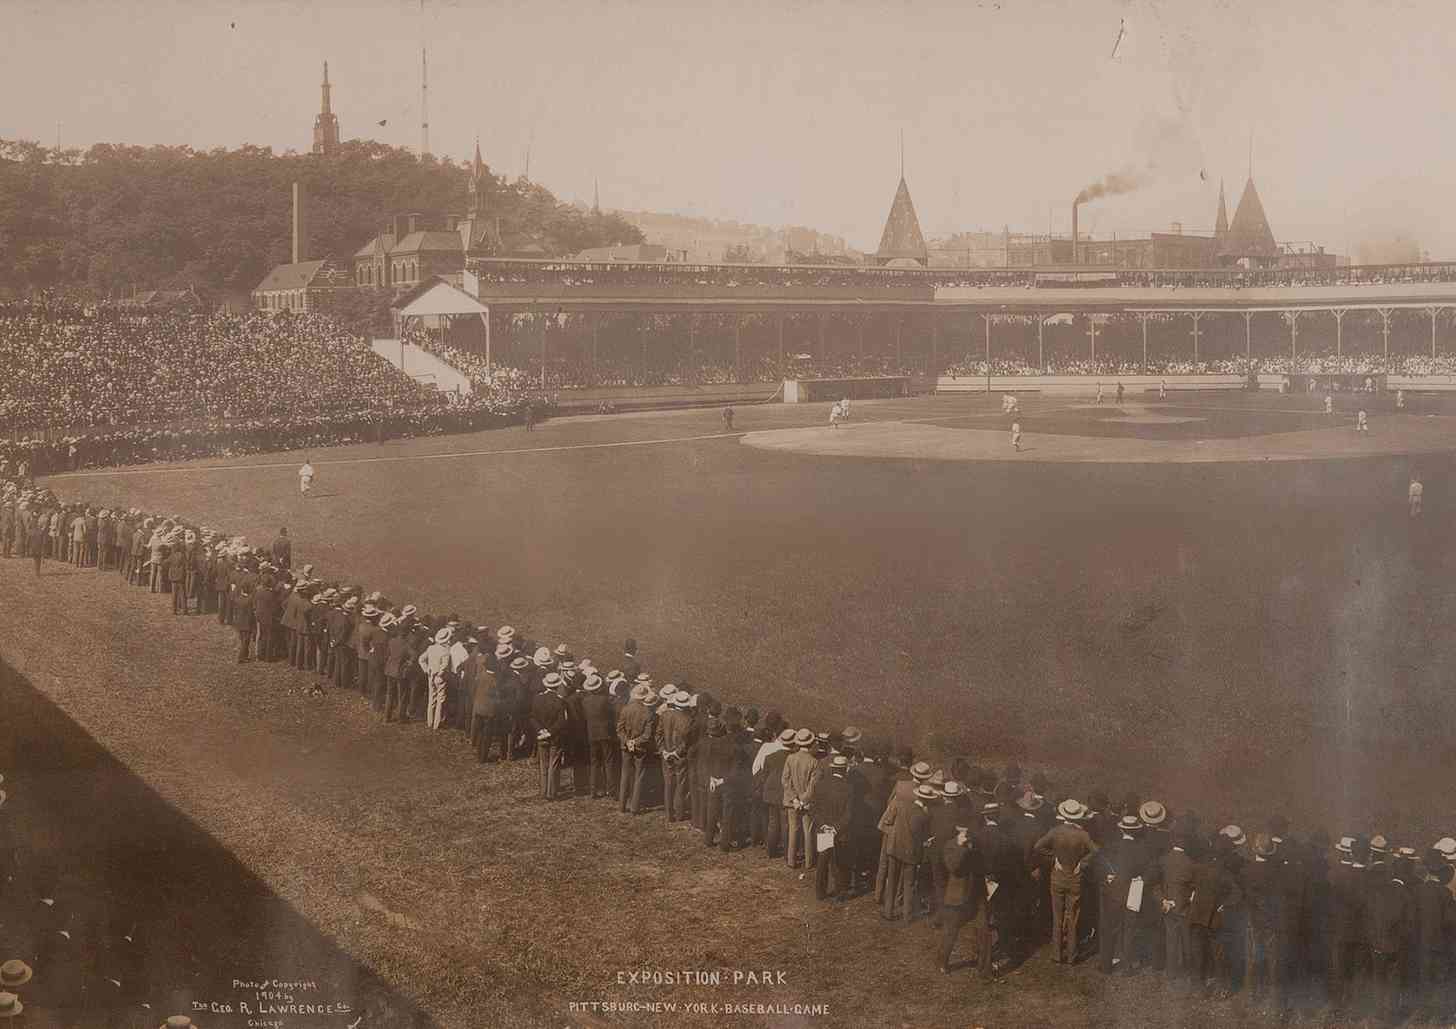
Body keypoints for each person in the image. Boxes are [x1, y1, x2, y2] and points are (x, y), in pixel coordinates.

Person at [1035, 799, 1098, 965]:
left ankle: (1056, 953)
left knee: (1057, 916)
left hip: (1057, 877)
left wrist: (1054, 858)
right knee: (1073, 917)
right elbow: (1096, 852)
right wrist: (1082, 864)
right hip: (1075, 879)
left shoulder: (1055, 831)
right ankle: (1071, 955)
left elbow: (1038, 847)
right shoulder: (1083, 835)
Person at [938, 817, 990, 976]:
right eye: (964, 829)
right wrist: (960, 847)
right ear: (958, 829)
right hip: (957, 897)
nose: (968, 832)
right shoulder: (950, 846)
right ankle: (942, 961)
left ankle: (985, 969)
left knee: (984, 931)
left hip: (977, 895)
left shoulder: (977, 843)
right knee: (950, 933)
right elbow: (954, 867)